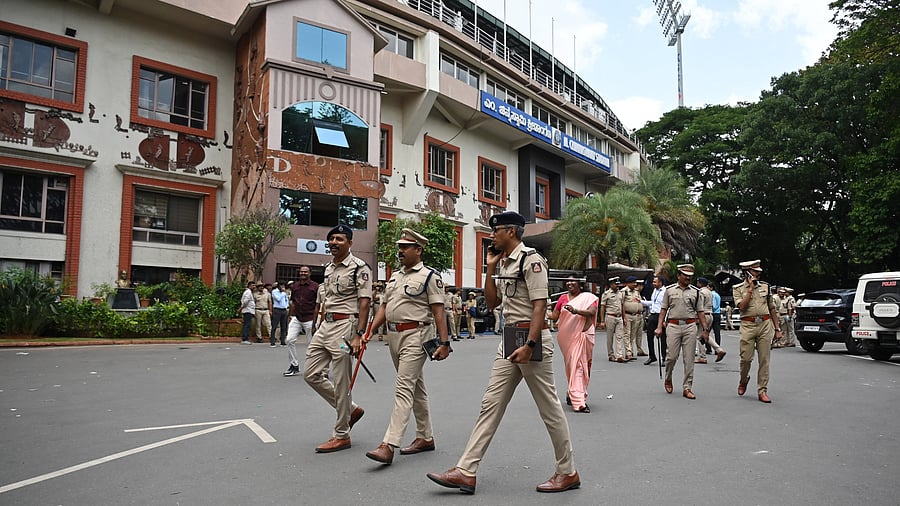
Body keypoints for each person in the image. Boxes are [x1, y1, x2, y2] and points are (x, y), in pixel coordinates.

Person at [427, 211, 580, 495]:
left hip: (530, 340)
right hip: (509, 338)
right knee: (490, 405)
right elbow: (494, 302)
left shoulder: (531, 260)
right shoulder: (505, 263)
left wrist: (530, 345)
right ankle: (466, 471)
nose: (492, 235)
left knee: (549, 409)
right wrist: (489, 268)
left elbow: (539, 306)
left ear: (511, 231)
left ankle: (567, 472)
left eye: (496, 231)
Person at [364, 228, 452, 465]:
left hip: (416, 335)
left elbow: (439, 312)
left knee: (403, 388)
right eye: (399, 246)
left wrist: (444, 343)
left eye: (405, 247)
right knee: (416, 387)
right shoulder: (395, 276)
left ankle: (388, 444)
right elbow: (383, 307)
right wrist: (369, 331)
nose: (400, 250)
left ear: (418, 250)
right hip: (393, 336)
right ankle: (425, 437)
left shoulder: (429, 277)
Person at [303, 224, 371, 452]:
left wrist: (359, 335)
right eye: (331, 239)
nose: (334, 242)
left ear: (350, 243)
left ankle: (341, 434)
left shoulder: (359, 268)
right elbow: (326, 300)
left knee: (342, 381)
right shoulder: (329, 269)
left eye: (339, 239)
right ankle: (351, 409)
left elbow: (364, 302)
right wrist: (320, 321)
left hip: (345, 327)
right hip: (326, 326)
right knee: (311, 374)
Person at [655, 264, 708, 400]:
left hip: (690, 326)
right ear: (679, 275)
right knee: (671, 356)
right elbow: (663, 310)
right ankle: (668, 378)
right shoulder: (669, 290)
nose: (688, 278)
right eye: (685, 275)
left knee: (689, 358)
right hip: (673, 326)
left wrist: (705, 329)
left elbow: (700, 312)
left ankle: (687, 387)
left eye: (690, 276)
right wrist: (659, 327)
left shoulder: (696, 292)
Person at [733, 259, 781, 403]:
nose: (758, 274)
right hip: (748, 325)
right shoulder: (738, 288)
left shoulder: (766, 287)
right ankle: (743, 380)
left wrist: (777, 329)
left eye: (759, 272)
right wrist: (750, 290)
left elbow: (772, 308)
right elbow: (742, 306)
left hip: (765, 325)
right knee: (746, 359)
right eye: (755, 272)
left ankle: (762, 390)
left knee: (764, 360)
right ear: (747, 273)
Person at [549, 276, 598, 413]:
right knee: (573, 366)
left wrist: (576, 311)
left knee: (581, 366)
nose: (569, 283)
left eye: (573, 281)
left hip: (584, 335)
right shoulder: (562, 298)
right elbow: (554, 316)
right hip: (567, 338)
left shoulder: (588, 297)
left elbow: (592, 312)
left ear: (580, 284)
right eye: (568, 281)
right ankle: (577, 397)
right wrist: (539, 310)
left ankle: (577, 397)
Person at [283, 266, 319, 376]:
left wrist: (315, 322)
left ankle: (315, 368)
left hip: (309, 318)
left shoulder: (315, 287)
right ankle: (294, 365)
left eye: (305, 272)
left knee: (312, 345)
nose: (303, 273)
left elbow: (318, 305)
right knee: (289, 340)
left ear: (310, 273)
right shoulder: (295, 286)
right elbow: (293, 302)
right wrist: (290, 316)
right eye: (302, 271)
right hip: (297, 317)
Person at [694, 277, 726, 364]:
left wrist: (697, 317)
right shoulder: (710, 292)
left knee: (700, 336)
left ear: (700, 283)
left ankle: (702, 356)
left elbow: (699, 306)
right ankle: (718, 349)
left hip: (703, 315)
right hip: (710, 314)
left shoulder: (701, 292)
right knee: (706, 335)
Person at [600, 277, 627, 362]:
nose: (617, 286)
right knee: (610, 337)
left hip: (619, 317)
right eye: (616, 284)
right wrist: (602, 321)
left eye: (618, 284)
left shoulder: (621, 293)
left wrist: (624, 317)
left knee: (619, 336)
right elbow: (602, 307)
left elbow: (622, 306)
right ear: (611, 284)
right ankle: (611, 355)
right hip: (610, 316)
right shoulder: (606, 294)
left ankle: (619, 355)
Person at [643, 275, 667, 365]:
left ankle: (664, 357)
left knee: (663, 337)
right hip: (653, 315)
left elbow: (667, 307)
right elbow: (653, 303)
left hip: (661, 315)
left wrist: (665, 319)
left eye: (655, 282)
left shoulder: (665, 292)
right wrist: (642, 302)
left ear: (660, 282)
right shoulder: (655, 291)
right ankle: (652, 356)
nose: (653, 283)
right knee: (649, 336)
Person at [623, 276, 646, 358]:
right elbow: (621, 304)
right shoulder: (624, 291)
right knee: (627, 334)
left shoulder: (636, 292)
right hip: (628, 315)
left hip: (636, 315)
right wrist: (623, 316)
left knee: (633, 335)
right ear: (628, 283)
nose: (635, 284)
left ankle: (633, 350)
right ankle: (629, 352)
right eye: (633, 283)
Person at [270, 281, 289, 347]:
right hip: (277, 310)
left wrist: (286, 306)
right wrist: (283, 293)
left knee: (284, 326)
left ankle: (283, 341)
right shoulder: (274, 292)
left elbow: (286, 300)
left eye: (283, 285)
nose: (282, 287)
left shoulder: (284, 293)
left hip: (284, 310)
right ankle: (272, 342)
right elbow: (278, 299)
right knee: (274, 326)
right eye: (281, 285)